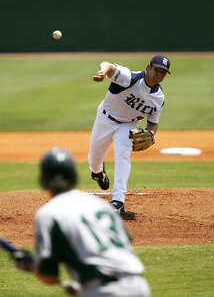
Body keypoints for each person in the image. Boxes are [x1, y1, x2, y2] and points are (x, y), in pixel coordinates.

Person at [12, 147, 151, 297]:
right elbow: (125, 242)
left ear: (44, 180)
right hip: (139, 287)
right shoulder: (102, 205)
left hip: (102, 291)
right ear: (73, 176)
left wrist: (31, 265)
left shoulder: (48, 213)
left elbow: (49, 276)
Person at [88, 55, 170, 216]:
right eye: (157, 70)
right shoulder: (130, 78)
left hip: (128, 125)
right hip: (105, 118)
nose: (159, 74)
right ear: (148, 67)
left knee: (122, 156)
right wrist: (103, 72)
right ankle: (97, 172)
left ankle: (118, 202)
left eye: (163, 73)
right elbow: (108, 64)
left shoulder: (159, 99)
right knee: (94, 160)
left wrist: (151, 135)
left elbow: (153, 123)